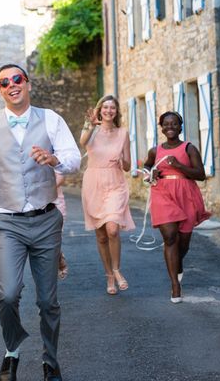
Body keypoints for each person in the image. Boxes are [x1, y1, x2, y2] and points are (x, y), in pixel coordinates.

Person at [0, 64, 80, 381]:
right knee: (8, 295)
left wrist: (54, 160)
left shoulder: (51, 119)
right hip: (8, 222)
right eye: (4, 82)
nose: (11, 85)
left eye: (17, 79)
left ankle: (50, 361)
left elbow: (74, 159)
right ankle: (12, 350)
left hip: (45, 219)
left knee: (47, 301)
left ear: (27, 83)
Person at [143, 111, 211, 303]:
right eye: (166, 124)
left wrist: (179, 166)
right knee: (170, 237)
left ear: (180, 126)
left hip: (185, 194)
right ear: (161, 128)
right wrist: (150, 174)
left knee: (183, 242)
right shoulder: (155, 151)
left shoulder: (189, 148)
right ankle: (175, 285)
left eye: (174, 124)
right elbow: (147, 166)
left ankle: (178, 264)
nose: (170, 127)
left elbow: (200, 174)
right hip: (162, 194)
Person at [80, 95, 135, 295]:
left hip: (115, 183)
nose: (109, 111)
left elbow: (128, 166)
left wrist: (123, 161)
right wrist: (91, 124)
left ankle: (117, 270)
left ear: (116, 111)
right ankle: (109, 276)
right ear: (99, 110)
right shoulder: (91, 129)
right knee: (101, 235)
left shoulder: (123, 133)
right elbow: (82, 142)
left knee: (112, 229)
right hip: (93, 183)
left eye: (112, 108)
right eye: (105, 107)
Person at [54, 173, 68, 280]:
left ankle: (58, 256)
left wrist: (44, 189)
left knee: (54, 240)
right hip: (33, 203)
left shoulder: (54, 155)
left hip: (56, 201)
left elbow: (61, 177)